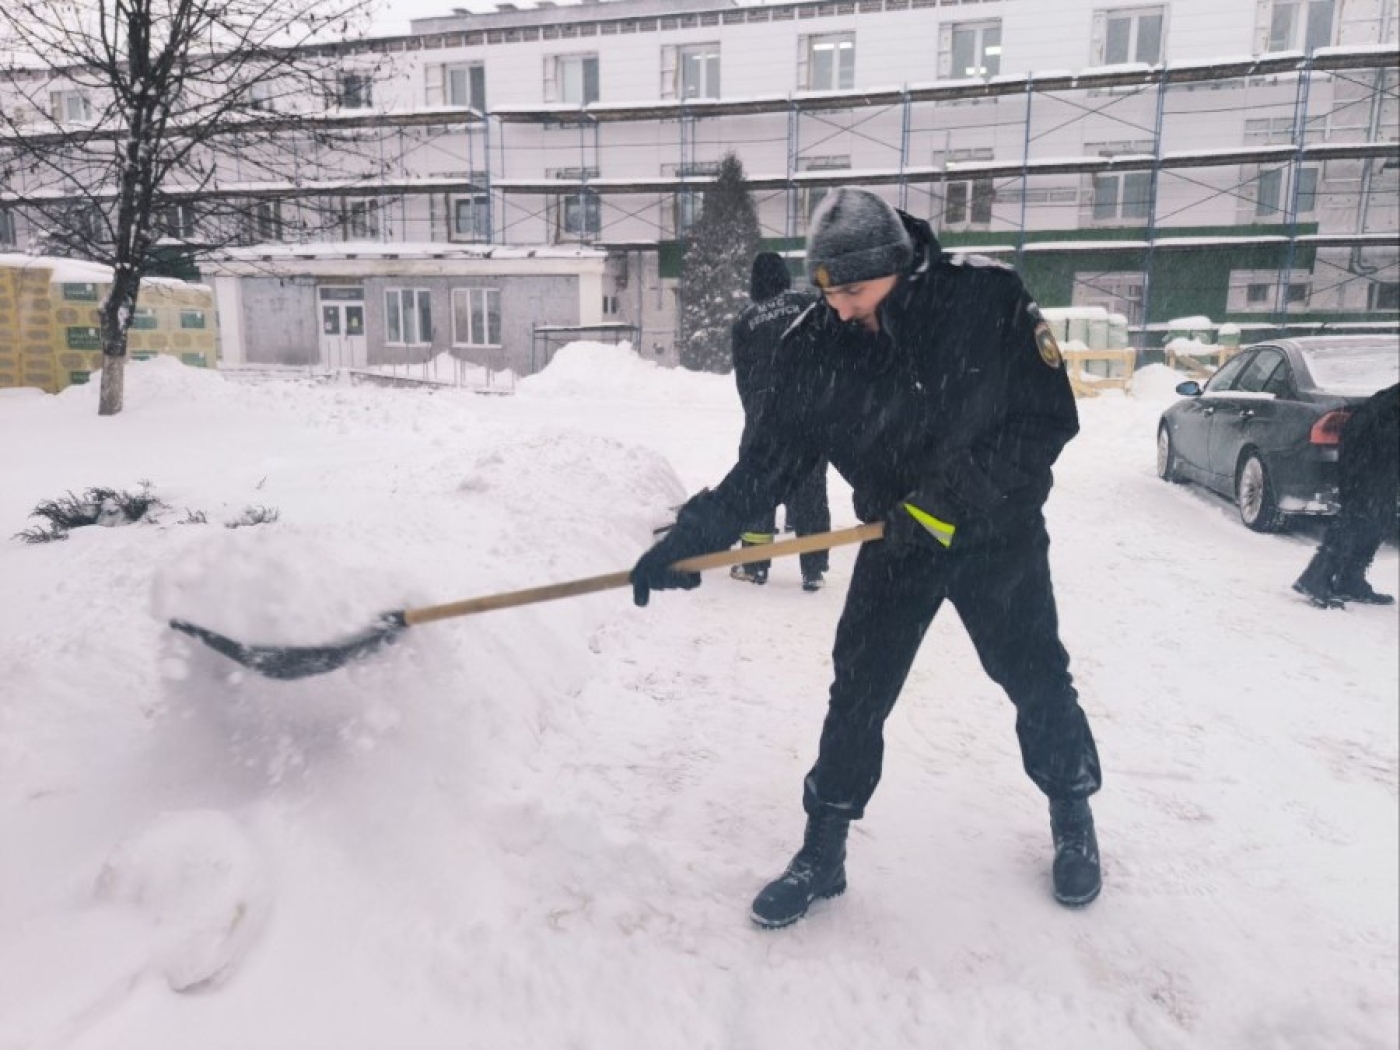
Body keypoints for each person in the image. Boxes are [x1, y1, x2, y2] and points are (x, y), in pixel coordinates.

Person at [630, 187, 1102, 929]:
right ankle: (825, 850)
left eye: (853, 290)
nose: (841, 307)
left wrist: (943, 505)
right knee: (858, 691)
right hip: (896, 543)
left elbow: (1046, 422)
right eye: (828, 292)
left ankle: (1073, 813)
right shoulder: (815, 343)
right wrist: (692, 538)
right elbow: (769, 466)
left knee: (1036, 676)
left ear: (899, 265)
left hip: (995, 539)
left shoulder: (986, 301)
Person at [729, 251, 831, 592]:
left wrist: (756, 412)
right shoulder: (808, 304)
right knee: (810, 489)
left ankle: (756, 566)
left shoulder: (745, 320)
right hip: (808, 412)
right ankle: (813, 568)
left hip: (764, 416)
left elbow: (743, 377)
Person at [1293, 382, 1399, 608]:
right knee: (1360, 514)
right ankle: (1316, 578)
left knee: (1381, 516)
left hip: (1383, 450)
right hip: (1367, 449)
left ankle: (1350, 579)